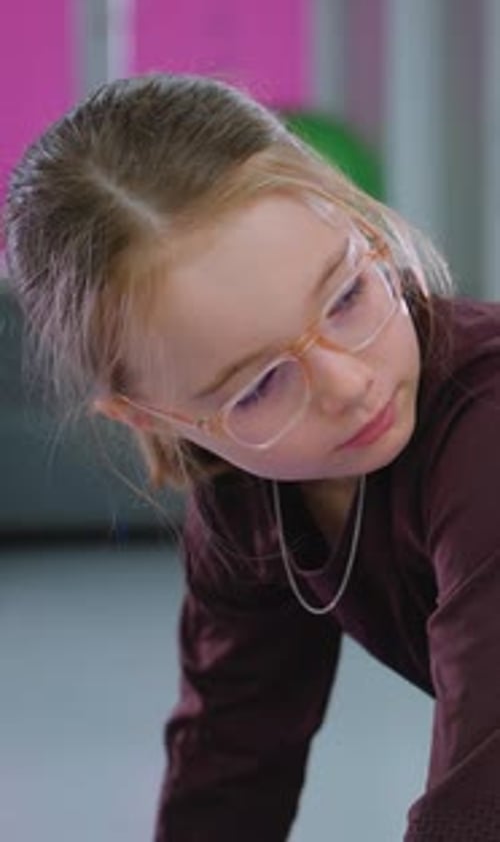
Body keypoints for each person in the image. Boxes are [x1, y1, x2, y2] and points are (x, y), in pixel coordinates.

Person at [4, 73, 500, 842]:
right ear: (154, 417)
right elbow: (230, 765)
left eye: (345, 299)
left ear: (358, 223)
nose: (348, 383)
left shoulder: (486, 434)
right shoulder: (248, 496)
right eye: (262, 384)